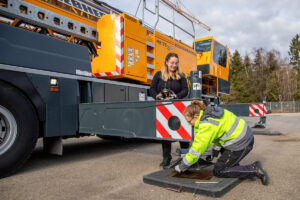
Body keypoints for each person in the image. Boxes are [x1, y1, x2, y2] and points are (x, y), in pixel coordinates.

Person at [175, 100, 269, 185]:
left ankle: (254, 169)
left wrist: (182, 166)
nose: (188, 124)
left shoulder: (206, 125)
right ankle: (233, 166)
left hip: (241, 143)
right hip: (244, 135)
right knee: (225, 163)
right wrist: (216, 148)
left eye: (189, 121)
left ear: (196, 117)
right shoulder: (209, 112)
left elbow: (196, 149)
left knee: (219, 171)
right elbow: (218, 133)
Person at [150, 52, 189, 167]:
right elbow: (151, 89)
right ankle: (166, 156)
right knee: (165, 133)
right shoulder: (158, 75)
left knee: (182, 131)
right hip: (163, 108)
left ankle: (185, 156)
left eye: (176, 63)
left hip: (178, 107)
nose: (174, 65)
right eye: (172, 62)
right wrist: (157, 96)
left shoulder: (181, 75)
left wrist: (176, 97)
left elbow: (185, 90)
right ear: (166, 62)